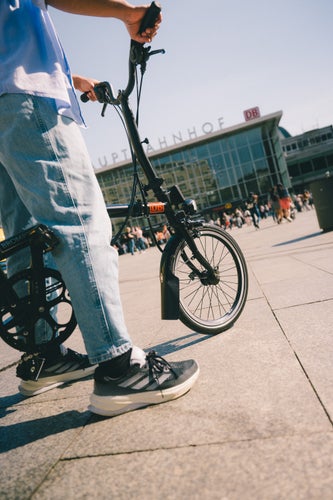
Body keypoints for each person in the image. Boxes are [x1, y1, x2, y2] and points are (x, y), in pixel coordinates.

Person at [0, 0, 199, 417]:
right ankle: (118, 367)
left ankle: (44, 354)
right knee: (79, 222)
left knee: (28, 237)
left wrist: (70, 79)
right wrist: (129, 12)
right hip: (24, 96)